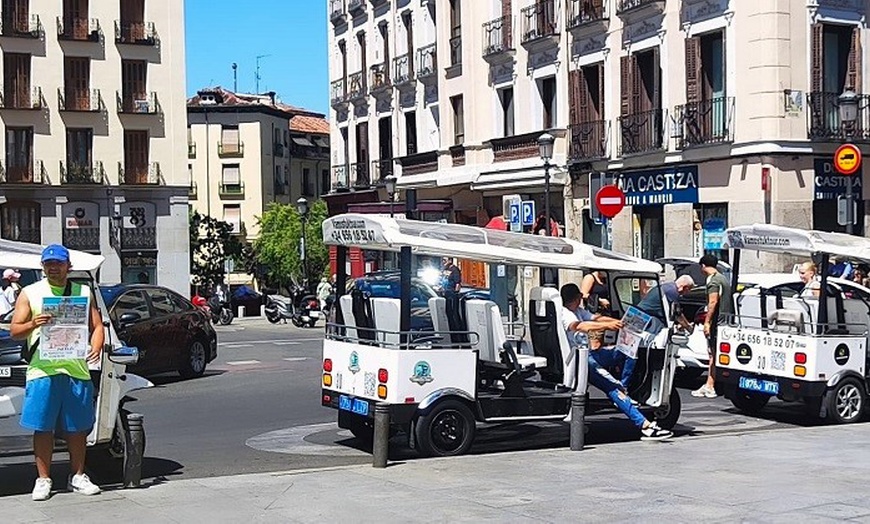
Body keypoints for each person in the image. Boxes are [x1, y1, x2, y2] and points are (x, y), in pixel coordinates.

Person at [10, 244, 104, 501]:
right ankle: (43, 479)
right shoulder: (30, 292)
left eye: (58, 263)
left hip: (76, 368)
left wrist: (96, 348)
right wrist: (33, 323)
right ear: (43, 267)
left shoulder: (83, 292)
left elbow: (96, 326)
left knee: (78, 428)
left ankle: (78, 475)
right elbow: (15, 330)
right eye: (48, 263)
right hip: (43, 369)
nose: (53, 267)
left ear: (68, 266)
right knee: (42, 427)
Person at [560, 283, 673, 441]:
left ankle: (625, 386)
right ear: (578, 297)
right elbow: (579, 326)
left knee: (628, 350)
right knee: (614, 387)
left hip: (590, 354)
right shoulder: (566, 314)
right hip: (582, 361)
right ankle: (645, 426)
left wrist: (619, 322)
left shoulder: (578, 311)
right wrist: (607, 325)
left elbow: (596, 318)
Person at [692, 254, 732, 399]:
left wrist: (707, 322)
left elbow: (713, 302)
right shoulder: (723, 278)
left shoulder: (714, 281)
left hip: (717, 323)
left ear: (703, 266)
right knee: (714, 353)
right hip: (725, 321)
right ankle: (710, 383)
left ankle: (710, 386)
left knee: (712, 353)